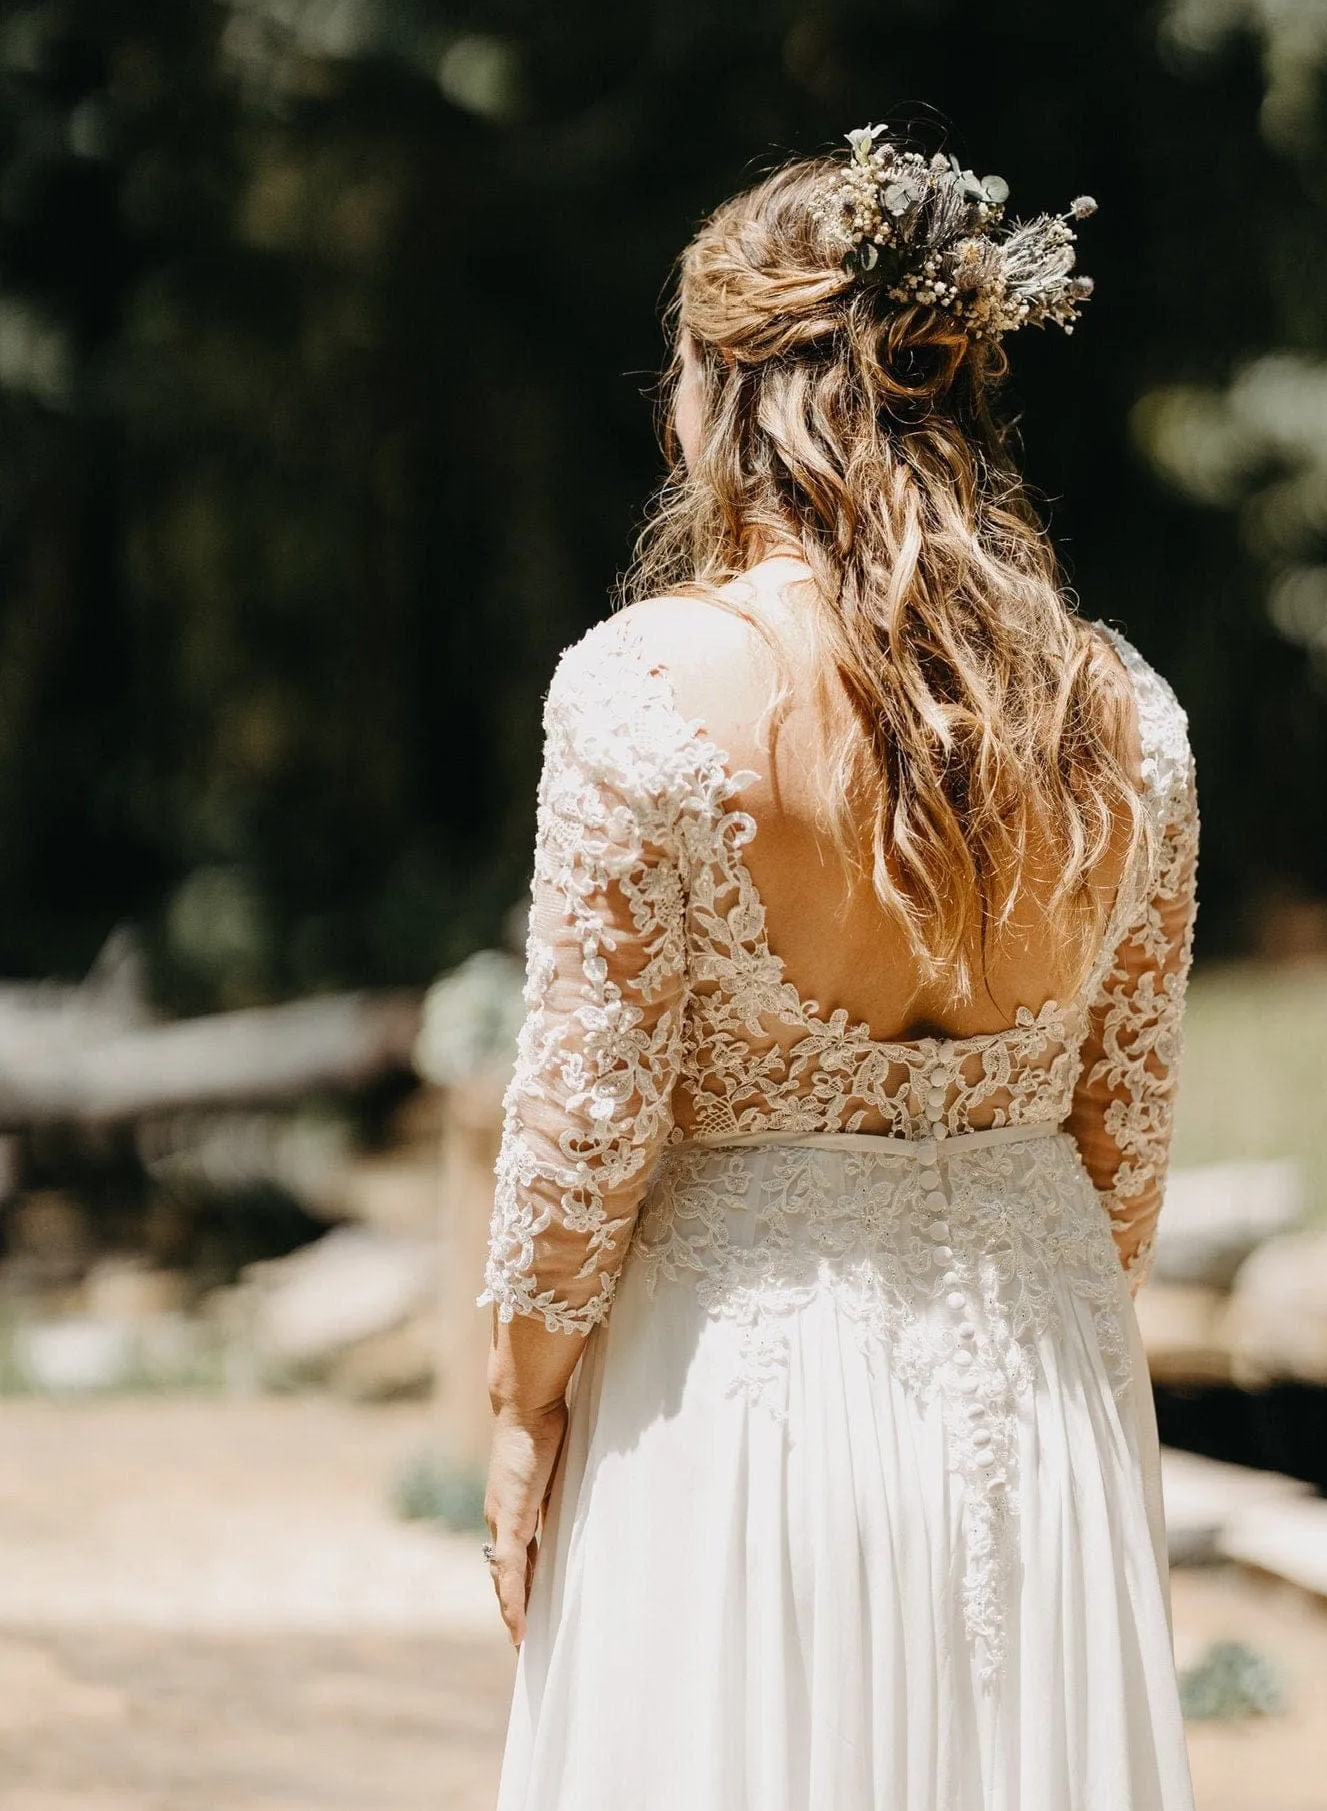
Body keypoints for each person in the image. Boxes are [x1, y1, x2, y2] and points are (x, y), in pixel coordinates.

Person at [479, 123, 1199, 1811]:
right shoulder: (1124, 715)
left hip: (738, 1410)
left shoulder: (649, 692)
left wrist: (520, 1406)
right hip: (1042, 1395)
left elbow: (581, 1134)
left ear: (727, 399)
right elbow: (1127, 1149)